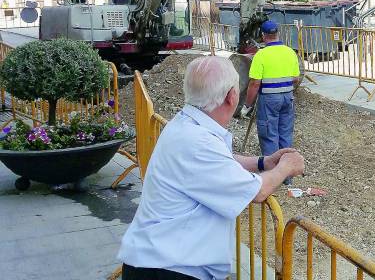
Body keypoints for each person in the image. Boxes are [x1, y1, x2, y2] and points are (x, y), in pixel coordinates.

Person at [118, 56, 305, 280]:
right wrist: (286, 167)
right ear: (231, 96)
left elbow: (222, 161)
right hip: (169, 268)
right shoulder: (199, 143)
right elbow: (258, 191)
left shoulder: (186, 124)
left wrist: (263, 162)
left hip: (157, 262)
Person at [240, 20, 300, 162]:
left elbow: (254, 83)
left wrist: (247, 106)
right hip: (288, 98)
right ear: (277, 33)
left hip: (269, 99)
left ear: (263, 35)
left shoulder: (261, 55)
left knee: (269, 135)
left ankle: (272, 173)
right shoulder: (290, 52)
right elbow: (296, 78)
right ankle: (287, 174)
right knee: (285, 134)